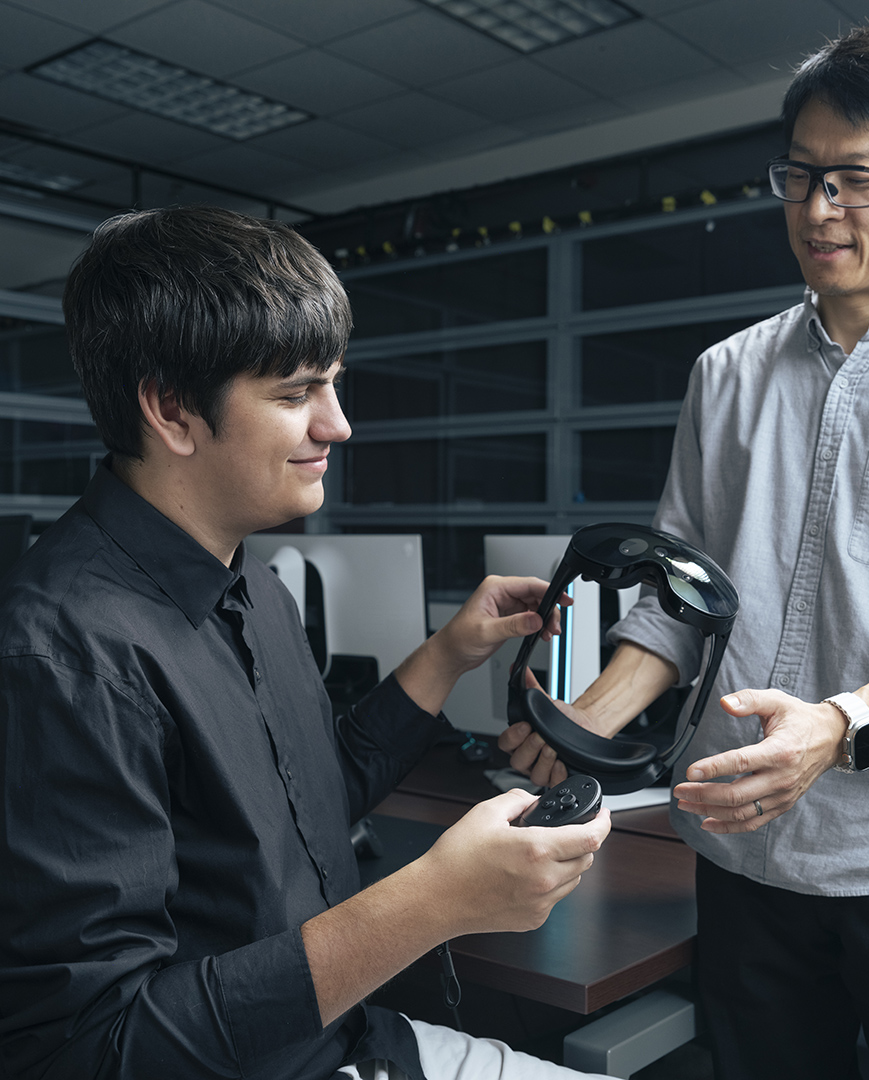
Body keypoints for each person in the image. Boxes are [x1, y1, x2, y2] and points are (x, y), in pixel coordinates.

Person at [501, 20, 869, 1080]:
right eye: (801, 176)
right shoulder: (725, 376)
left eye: (857, 180)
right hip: (747, 862)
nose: (818, 210)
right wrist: (586, 722)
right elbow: (681, 598)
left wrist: (840, 724)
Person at [0, 206, 613, 1080]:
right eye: (296, 395)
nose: (339, 426)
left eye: (333, 384)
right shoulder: (63, 656)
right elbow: (97, 1051)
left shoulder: (252, 585)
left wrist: (448, 653)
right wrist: (433, 902)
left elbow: (308, 802)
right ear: (172, 411)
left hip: (354, 1044)